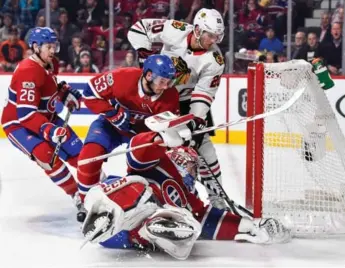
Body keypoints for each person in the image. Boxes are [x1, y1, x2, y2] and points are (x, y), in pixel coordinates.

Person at [81, 129, 291, 260]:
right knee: (140, 187)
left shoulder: (188, 198)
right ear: (176, 157)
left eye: (194, 168)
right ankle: (112, 212)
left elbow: (210, 219)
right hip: (113, 207)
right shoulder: (158, 164)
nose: (192, 170)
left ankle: (150, 230)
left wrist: (251, 225)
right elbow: (137, 153)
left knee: (192, 225)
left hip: (126, 239)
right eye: (189, 164)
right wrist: (158, 138)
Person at [127, 8, 228, 209]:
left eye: (217, 36)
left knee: (204, 150)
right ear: (197, 30)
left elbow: (203, 94)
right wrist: (144, 51)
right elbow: (139, 29)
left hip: (185, 102)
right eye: (210, 35)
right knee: (154, 145)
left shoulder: (215, 61)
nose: (213, 40)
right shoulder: (176, 29)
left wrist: (196, 120)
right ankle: (143, 187)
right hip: (160, 95)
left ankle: (216, 199)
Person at [77, 54, 182, 219]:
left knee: (141, 171)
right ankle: (85, 204)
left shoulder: (171, 96)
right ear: (149, 75)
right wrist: (111, 113)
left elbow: (167, 130)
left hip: (141, 134)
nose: (166, 87)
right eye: (162, 81)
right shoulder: (122, 77)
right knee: (88, 157)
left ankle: (135, 203)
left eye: (170, 82)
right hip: (110, 126)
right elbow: (89, 93)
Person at [0, 27, 84, 218]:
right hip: (18, 124)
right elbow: (26, 114)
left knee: (78, 152)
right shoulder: (28, 72)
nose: (53, 50)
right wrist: (50, 131)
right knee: (47, 157)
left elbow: (51, 87)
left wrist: (65, 93)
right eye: (49, 46)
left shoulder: (51, 62)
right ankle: (77, 195)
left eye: (54, 45)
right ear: (36, 47)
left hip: (47, 117)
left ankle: (99, 185)